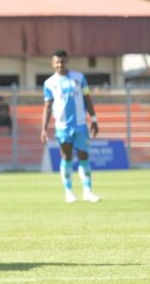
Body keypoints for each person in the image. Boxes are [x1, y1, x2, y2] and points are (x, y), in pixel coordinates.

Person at [40, 50, 101, 203]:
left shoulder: (79, 78)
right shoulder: (49, 83)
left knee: (83, 157)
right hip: (62, 127)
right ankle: (69, 191)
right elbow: (47, 106)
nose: (60, 64)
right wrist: (44, 129)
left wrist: (94, 119)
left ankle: (87, 191)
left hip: (80, 125)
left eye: (62, 61)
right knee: (66, 157)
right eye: (57, 62)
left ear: (67, 61)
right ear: (53, 64)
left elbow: (87, 98)